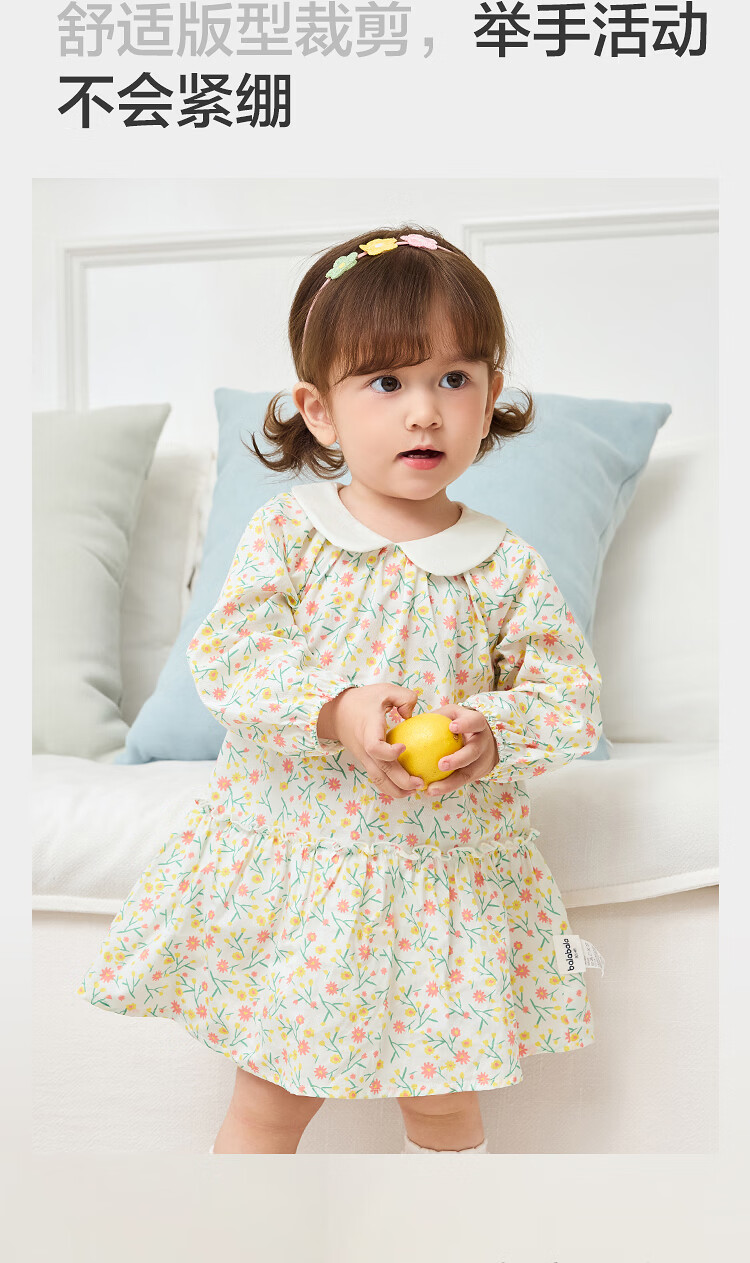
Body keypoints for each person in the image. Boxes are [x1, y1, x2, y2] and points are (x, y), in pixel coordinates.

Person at [77, 225, 603, 1155]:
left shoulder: (503, 563)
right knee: (271, 1101)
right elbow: (233, 656)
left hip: (444, 882)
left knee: (446, 1106)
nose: (424, 413)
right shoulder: (292, 536)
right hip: (311, 877)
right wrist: (336, 707)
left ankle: (444, 1228)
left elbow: (567, 693)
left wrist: (491, 728)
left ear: (490, 397)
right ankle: (240, 1228)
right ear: (319, 411)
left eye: (453, 378)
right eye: (386, 382)